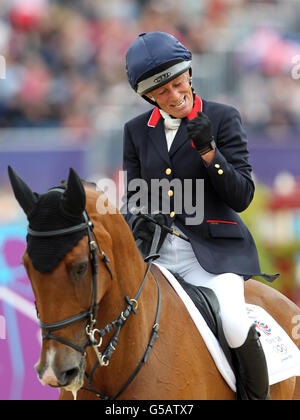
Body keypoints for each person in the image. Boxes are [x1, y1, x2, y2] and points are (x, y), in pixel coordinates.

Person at [121, 31, 275, 400]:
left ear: (189, 74)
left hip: (212, 256)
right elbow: (133, 198)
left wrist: (209, 152)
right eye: (163, 93)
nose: (175, 97)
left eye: (178, 84)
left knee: (235, 324)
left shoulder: (223, 117)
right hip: (156, 257)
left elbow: (242, 197)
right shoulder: (135, 132)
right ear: (148, 96)